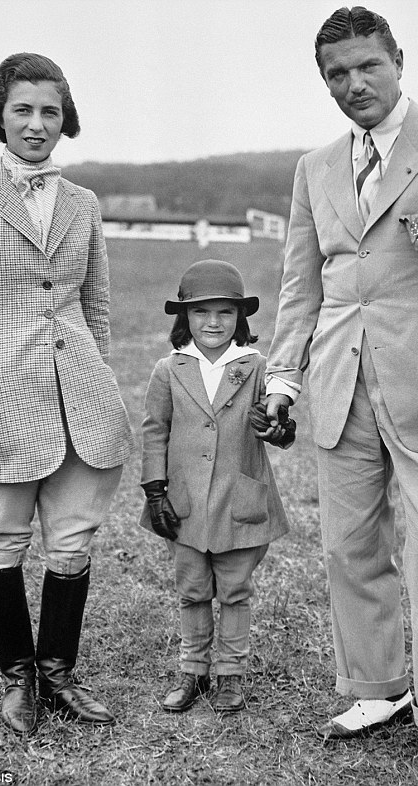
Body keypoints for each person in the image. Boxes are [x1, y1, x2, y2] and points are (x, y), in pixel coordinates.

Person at [261, 7, 418, 781]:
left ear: (397, 59)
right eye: (336, 73)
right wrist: (282, 378)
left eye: (366, 65)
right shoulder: (314, 168)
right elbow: (302, 286)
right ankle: (376, 688)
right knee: (349, 547)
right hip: (339, 384)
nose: (353, 84)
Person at [0, 53, 134, 734]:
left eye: (49, 111)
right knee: (2, 540)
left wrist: (93, 379)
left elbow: (94, 310)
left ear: (65, 120)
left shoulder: (84, 204)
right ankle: (19, 677)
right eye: (23, 110)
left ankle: (58, 671)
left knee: (72, 545)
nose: (37, 124)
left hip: (79, 404)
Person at [139, 259, 291, 713]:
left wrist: (281, 429)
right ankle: (193, 670)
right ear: (184, 317)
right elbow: (154, 432)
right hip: (182, 503)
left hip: (238, 500)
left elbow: (281, 424)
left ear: (240, 319)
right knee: (191, 589)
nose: (213, 322)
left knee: (234, 589)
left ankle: (230, 675)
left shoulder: (257, 366)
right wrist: (154, 490)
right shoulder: (169, 370)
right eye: (202, 312)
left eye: (225, 313)